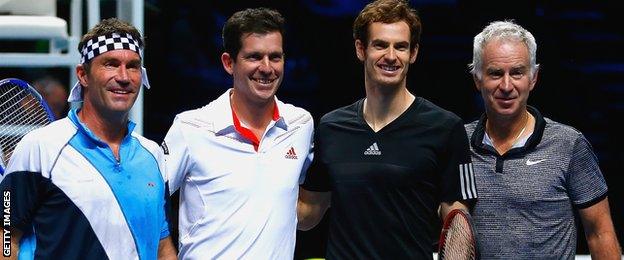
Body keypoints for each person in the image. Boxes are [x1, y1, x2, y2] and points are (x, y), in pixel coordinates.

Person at [297, 0, 477, 258]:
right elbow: (307, 215)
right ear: (361, 49)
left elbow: (458, 220)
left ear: (413, 53)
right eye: (380, 45)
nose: (391, 56)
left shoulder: (445, 127)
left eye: (400, 47)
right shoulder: (331, 127)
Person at [0, 18, 177, 259]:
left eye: (133, 66)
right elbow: (6, 234)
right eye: (111, 64)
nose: (124, 77)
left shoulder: (153, 154)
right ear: (83, 75)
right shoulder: (39, 147)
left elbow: (162, 244)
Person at [162, 8, 314, 259]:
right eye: (254, 57)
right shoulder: (191, 127)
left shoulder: (300, 125)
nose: (266, 68)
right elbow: (148, 201)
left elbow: (299, 204)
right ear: (228, 63)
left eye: (275, 57)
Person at [465, 20, 621, 259]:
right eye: (495, 73)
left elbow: (600, 232)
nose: (506, 85)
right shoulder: (457, 143)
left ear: (533, 78)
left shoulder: (569, 145)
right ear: (477, 79)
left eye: (517, 72)